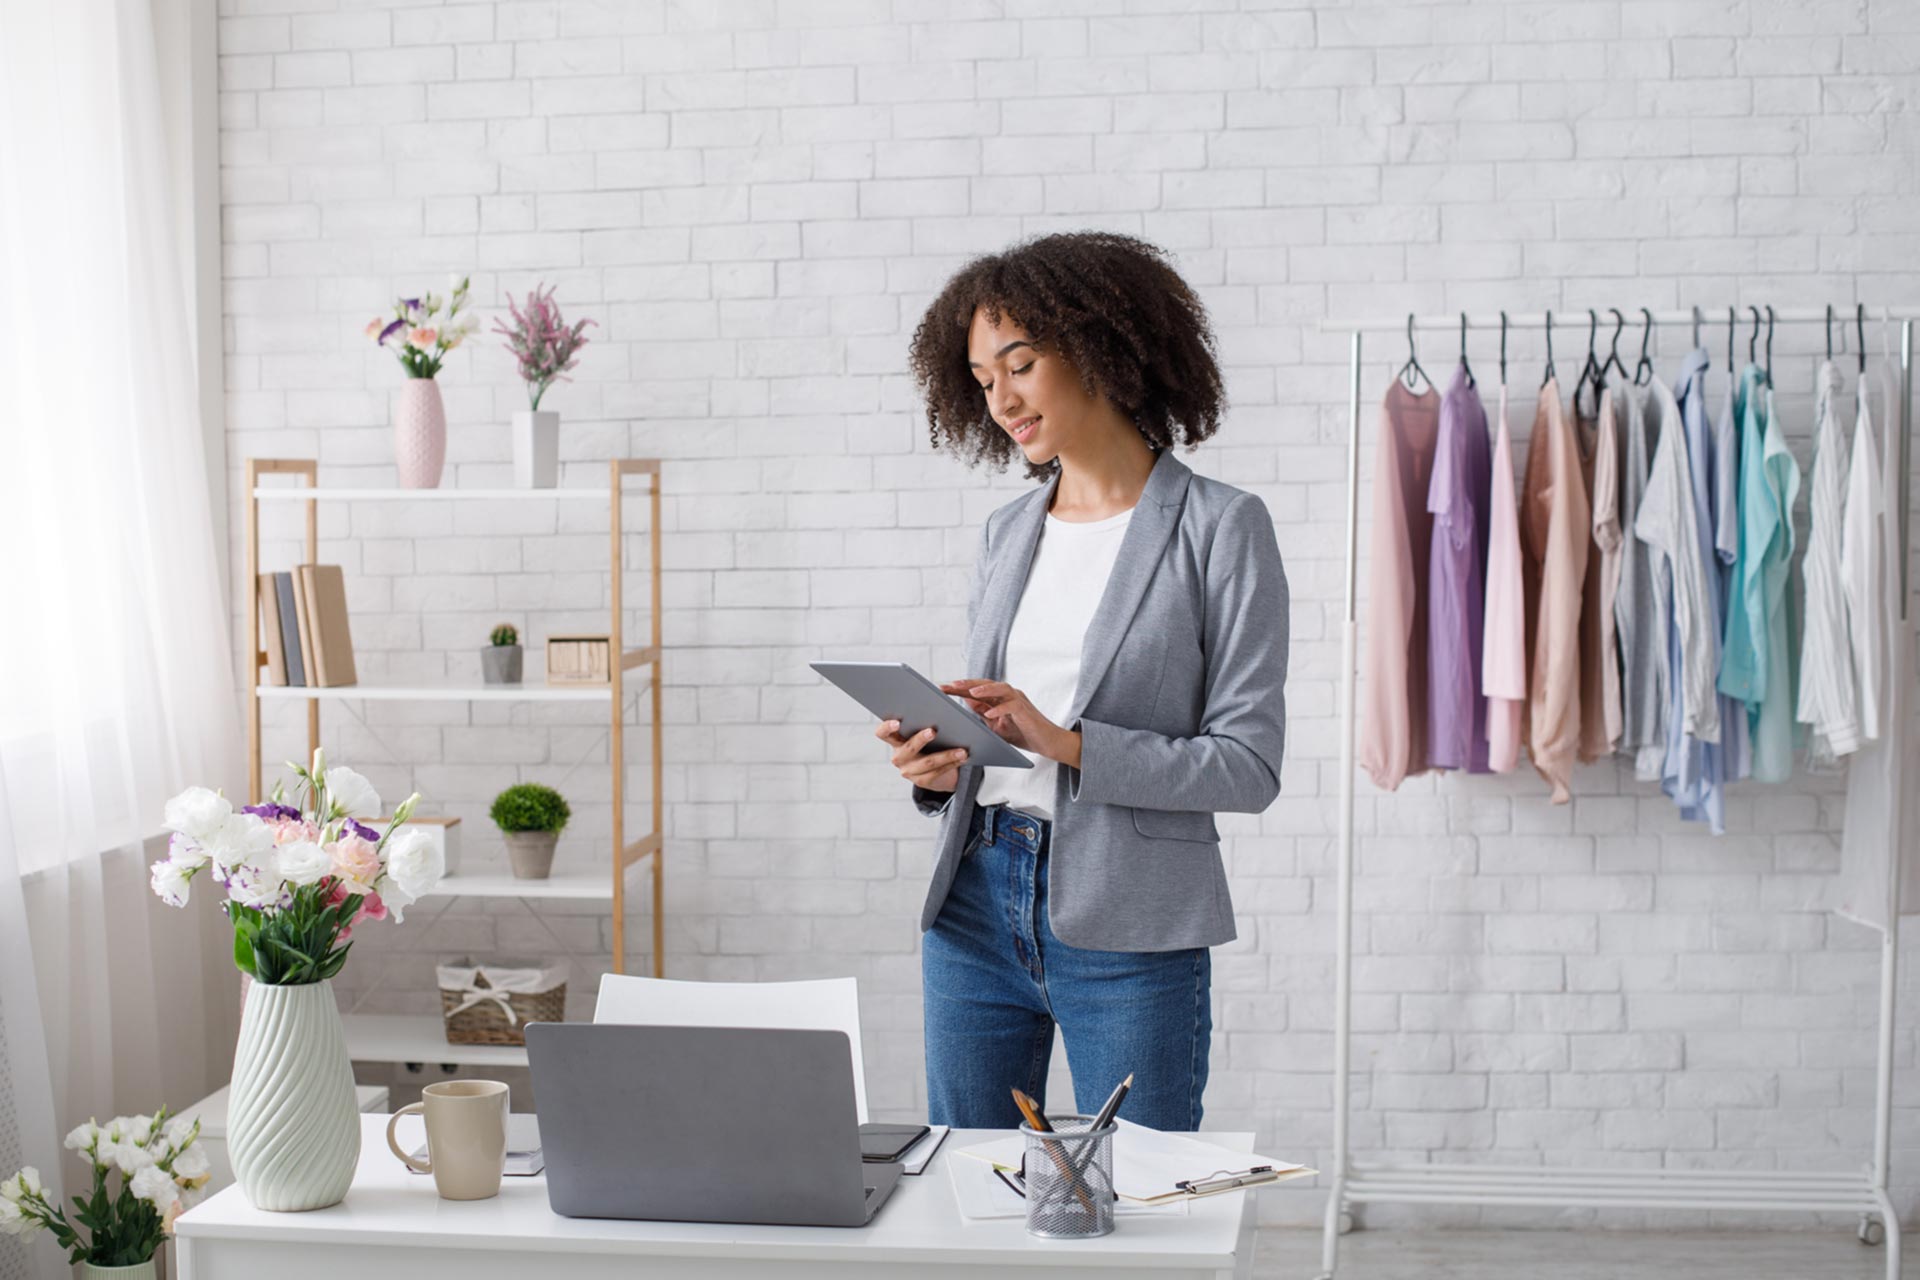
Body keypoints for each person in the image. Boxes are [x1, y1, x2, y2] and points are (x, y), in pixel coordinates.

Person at [878, 231, 1290, 1131]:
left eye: (1019, 366)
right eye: (983, 381)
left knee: (1139, 1207)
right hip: (975, 903)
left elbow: (1249, 767)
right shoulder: (1007, 531)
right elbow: (999, 741)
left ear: (1100, 345)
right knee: (969, 1195)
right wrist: (943, 771)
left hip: (1132, 924)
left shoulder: (1223, 528)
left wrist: (1063, 743)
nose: (1002, 400)